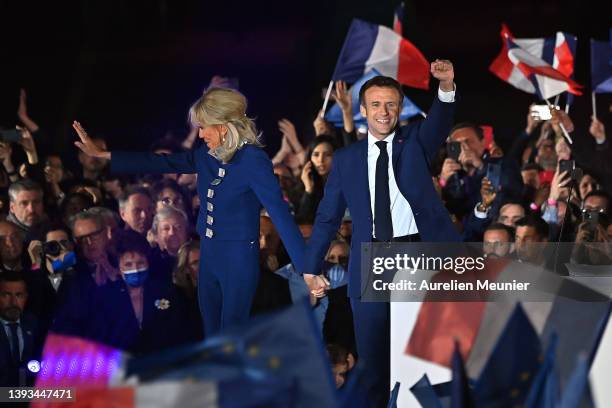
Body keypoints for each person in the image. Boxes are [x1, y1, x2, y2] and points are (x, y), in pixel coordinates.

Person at [72, 87, 305, 336]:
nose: (201, 134)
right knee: (212, 334)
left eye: (205, 127)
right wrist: (103, 155)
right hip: (209, 256)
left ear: (224, 126)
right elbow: (161, 162)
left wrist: (307, 268)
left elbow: (279, 214)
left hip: (238, 258)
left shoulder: (253, 160)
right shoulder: (206, 154)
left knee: (232, 334)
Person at [303, 61, 460, 406]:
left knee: (420, 357)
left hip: (416, 257)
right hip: (369, 261)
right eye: (375, 104)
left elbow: (439, 121)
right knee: (374, 364)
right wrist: (311, 267)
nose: (383, 111)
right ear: (362, 110)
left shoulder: (415, 145)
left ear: (400, 107)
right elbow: (328, 217)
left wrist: (446, 85)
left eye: (391, 103)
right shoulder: (346, 159)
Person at [0, 271, 43, 386]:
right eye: (6, 295)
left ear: (26, 297)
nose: (13, 302)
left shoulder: (33, 324)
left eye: (19, 295)